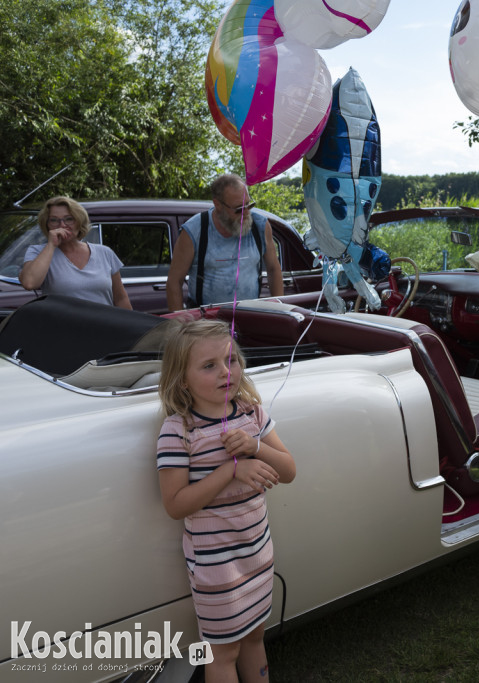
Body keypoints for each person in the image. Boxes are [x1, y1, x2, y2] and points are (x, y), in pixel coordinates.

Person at [156, 319, 295, 682]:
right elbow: (175, 504)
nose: (225, 372)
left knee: (255, 636)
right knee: (222, 652)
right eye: (209, 365)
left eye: (230, 360)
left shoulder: (252, 413)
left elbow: (290, 469)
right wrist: (232, 470)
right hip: (217, 567)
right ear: (182, 379)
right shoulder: (179, 430)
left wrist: (255, 447)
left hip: (258, 552)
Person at [167, 173, 283, 310]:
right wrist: (179, 322)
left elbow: (273, 269)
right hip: (206, 322)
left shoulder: (260, 226)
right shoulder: (195, 230)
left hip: (250, 316)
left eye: (249, 205)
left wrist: (279, 308)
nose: (246, 213)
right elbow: (174, 281)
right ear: (218, 204)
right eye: (239, 209)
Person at [19, 196, 131, 309]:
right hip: (61, 325)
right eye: (54, 220)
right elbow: (29, 283)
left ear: (79, 221)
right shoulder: (38, 252)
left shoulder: (105, 252)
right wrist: (51, 245)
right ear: (47, 225)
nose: (62, 225)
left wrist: (131, 325)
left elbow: (120, 298)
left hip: (103, 324)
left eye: (69, 219)